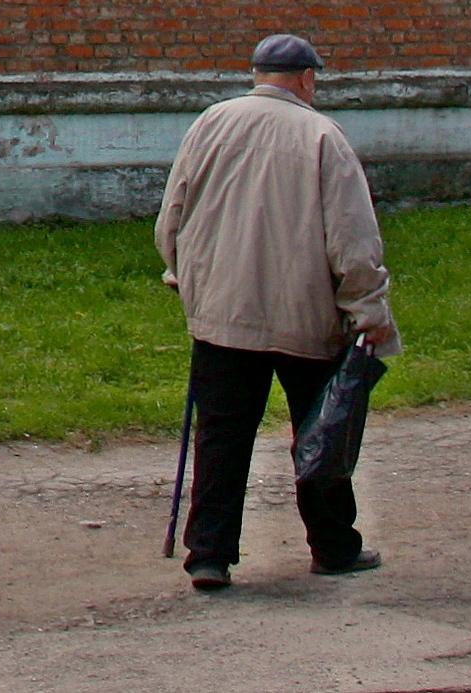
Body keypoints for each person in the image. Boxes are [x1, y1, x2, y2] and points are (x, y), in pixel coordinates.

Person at [155, 32, 399, 590]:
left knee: (221, 436)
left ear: (258, 74)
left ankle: (209, 555)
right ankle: (334, 547)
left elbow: (173, 214)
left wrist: (183, 276)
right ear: (308, 79)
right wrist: (367, 306)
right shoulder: (322, 135)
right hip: (306, 316)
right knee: (322, 430)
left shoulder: (211, 122)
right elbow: (353, 240)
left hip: (223, 314)